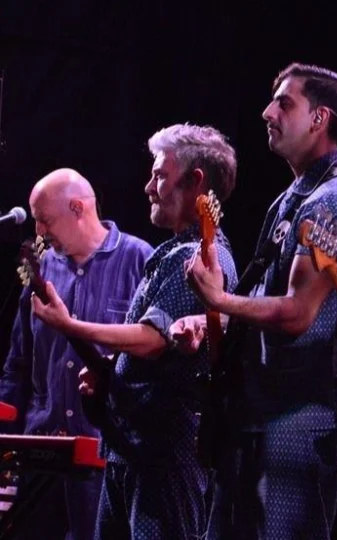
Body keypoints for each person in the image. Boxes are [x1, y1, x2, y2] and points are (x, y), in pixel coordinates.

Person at [177, 63, 337, 540]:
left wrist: (221, 299)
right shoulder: (292, 198)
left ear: (319, 119)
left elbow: (297, 313)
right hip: (260, 408)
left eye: (285, 103)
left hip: (303, 414)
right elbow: (265, 300)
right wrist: (212, 318)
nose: (268, 112)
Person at [31, 124, 239, 538]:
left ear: (196, 182)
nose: (148, 187)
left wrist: (69, 324)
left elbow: (154, 340)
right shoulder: (172, 253)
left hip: (162, 454)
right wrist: (115, 367)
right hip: (132, 448)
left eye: (160, 175)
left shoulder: (199, 257)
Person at [0, 168, 151, 539]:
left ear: (78, 208)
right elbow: (17, 363)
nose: (39, 231)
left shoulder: (139, 259)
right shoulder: (39, 271)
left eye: (45, 220)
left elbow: (152, 359)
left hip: (107, 454)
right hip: (41, 451)